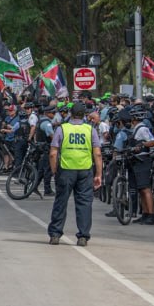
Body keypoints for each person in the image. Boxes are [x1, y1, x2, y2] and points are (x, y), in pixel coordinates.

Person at [46, 102, 102, 246]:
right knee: (84, 203)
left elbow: (53, 153)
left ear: (70, 113)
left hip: (66, 169)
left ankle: (55, 234)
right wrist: (99, 174)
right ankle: (83, 236)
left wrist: (54, 171)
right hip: (85, 170)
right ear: (84, 115)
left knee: (61, 202)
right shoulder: (90, 130)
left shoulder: (62, 129)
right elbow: (97, 153)